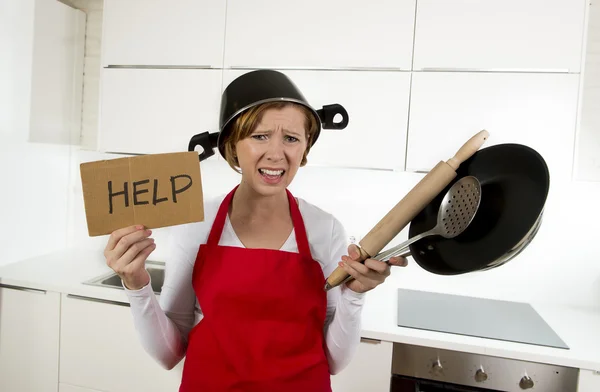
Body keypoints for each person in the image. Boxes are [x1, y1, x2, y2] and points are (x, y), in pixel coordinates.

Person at [102, 70, 407, 392]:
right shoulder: (197, 223)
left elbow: (335, 361)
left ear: (305, 148)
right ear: (233, 145)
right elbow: (169, 353)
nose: (276, 153)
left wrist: (354, 295)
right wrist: (136, 285)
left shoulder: (324, 228)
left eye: (291, 138)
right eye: (260, 136)